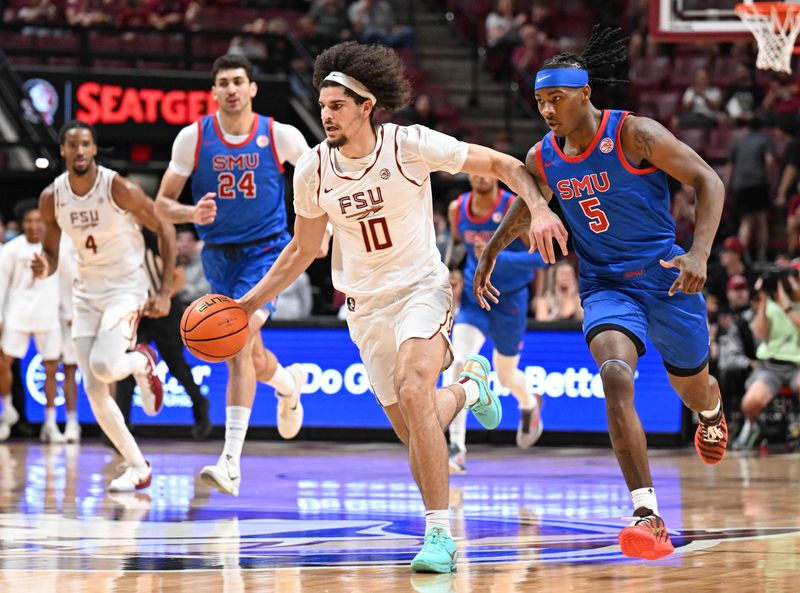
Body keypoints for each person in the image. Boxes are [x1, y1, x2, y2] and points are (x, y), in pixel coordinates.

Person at [236, 40, 555, 573]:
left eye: (336, 106)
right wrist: (246, 305)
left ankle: (439, 536)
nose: (326, 116)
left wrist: (540, 206)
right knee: (416, 429)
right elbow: (303, 248)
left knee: (413, 389)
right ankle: (472, 385)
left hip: (421, 289)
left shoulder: (409, 146)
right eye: (322, 107)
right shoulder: (313, 170)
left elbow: (502, 163)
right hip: (364, 307)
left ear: (366, 106)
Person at [473, 27, 727, 561]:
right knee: (614, 374)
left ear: (585, 93)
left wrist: (701, 253)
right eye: (540, 101)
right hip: (606, 283)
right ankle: (646, 511)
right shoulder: (544, 155)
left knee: (695, 390)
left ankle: (711, 412)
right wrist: (494, 247)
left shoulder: (634, 134)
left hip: (667, 275)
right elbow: (531, 201)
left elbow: (708, 180)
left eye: (556, 99)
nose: (546, 110)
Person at [154, 54, 319, 497]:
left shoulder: (278, 135)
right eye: (222, 82)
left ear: (251, 89)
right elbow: (160, 205)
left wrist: (320, 234)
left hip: (266, 253)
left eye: (238, 81)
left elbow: (320, 181)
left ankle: (230, 461)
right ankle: (288, 387)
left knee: (237, 347)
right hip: (219, 258)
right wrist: (190, 211)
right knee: (249, 351)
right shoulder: (193, 138)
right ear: (214, 92)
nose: (230, 89)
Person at [32, 119, 174, 491]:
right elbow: (50, 252)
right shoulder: (52, 198)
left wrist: (163, 291)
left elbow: (165, 228)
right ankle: (138, 466)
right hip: (86, 293)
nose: (79, 151)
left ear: (94, 149)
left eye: (85, 144)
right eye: (72, 145)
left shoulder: (118, 188)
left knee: (105, 365)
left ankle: (143, 361)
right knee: (94, 389)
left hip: (126, 288)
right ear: (63, 150)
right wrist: (44, 264)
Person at [444, 173, 546, 474]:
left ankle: (529, 403)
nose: (480, 176)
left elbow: (541, 258)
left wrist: (494, 255)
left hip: (510, 300)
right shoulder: (457, 208)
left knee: (504, 376)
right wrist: (450, 274)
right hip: (476, 300)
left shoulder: (515, 206)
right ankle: (457, 446)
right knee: (457, 361)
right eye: (474, 170)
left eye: (487, 171)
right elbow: (457, 248)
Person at [115, 228, 212, 440]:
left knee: (176, 365)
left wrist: (162, 298)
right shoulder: (116, 244)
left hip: (165, 312)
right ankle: (121, 429)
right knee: (127, 368)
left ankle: (200, 405)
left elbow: (179, 277)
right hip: (137, 314)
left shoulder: (155, 241)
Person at [0, 200, 64, 443]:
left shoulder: (57, 247)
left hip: (49, 315)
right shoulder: (11, 249)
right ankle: (7, 412)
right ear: (21, 223)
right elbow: (1, 286)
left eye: (38, 220)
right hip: (17, 314)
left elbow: (67, 282)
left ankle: (50, 423)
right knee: (3, 363)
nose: (34, 225)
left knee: (51, 370)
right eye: (29, 220)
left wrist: (68, 313)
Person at [733, 271, 800, 450]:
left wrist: (785, 303)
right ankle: (752, 426)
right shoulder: (770, 304)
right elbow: (760, 334)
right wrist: (763, 298)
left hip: (797, 366)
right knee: (750, 403)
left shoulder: (791, 304)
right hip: (770, 367)